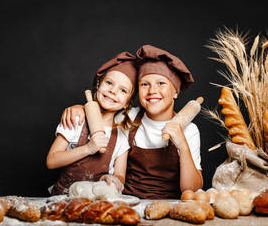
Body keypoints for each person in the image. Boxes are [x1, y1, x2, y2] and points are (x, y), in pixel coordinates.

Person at [60, 45, 203, 199]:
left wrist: (183, 145)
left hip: (170, 204)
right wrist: (81, 108)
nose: (152, 90)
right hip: (128, 201)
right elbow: (106, 107)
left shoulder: (189, 130)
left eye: (161, 83)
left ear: (175, 91)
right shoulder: (127, 118)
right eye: (144, 84)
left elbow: (192, 189)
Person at [46, 51, 137, 195]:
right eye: (109, 83)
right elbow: (51, 161)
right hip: (63, 198)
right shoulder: (77, 119)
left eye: (123, 90)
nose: (113, 91)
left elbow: (121, 176)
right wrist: (88, 148)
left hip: (97, 203)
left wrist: (112, 178)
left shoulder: (120, 136)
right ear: (98, 85)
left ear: (127, 103)